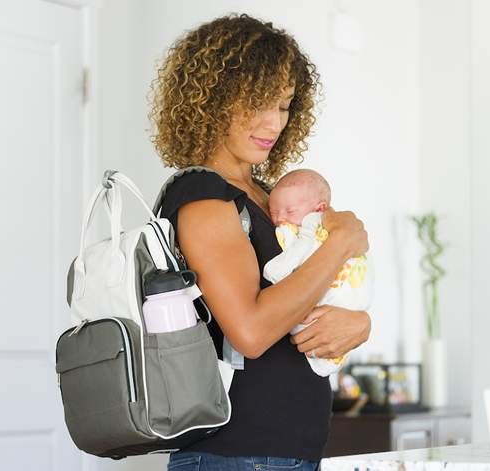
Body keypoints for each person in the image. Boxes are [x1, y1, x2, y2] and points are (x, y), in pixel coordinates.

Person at [148, 13, 372, 471]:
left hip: (285, 452)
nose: (273, 122)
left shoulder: (270, 200)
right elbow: (249, 333)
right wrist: (341, 241)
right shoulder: (201, 197)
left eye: (284, 104)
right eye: (256, 103)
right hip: (236, 453)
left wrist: (360, 325)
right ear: (213, 99)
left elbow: (311, 300)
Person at [263, 169, 373, 377]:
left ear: (319, 208)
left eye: (290, 211)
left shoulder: (313, 226)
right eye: (273, 211)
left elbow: (282, 267)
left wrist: (362, 321)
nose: (279, 219)